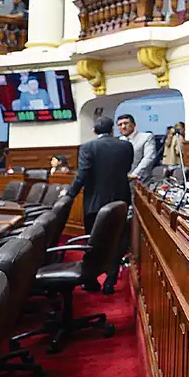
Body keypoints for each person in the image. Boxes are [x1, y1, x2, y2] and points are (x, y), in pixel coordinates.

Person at [67, 116, 134, 294]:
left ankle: (90, 280)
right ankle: (110, 282)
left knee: (94, 242)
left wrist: (69, 194)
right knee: (117, 241)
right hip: (120, 200)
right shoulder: (126, 146)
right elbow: (127, 168)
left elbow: (83, 175)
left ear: (94, 131)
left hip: (94, 203)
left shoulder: (88, 147)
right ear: (112, 129)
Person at [117, 114, 156, 181]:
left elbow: (149, 157)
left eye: (126, 123)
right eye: (120, 125)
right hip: (122, 180)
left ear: (134, 125)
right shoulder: (119, 141)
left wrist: (135, 174)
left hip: (141, 180)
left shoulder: (146, 137)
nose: (123, 127)